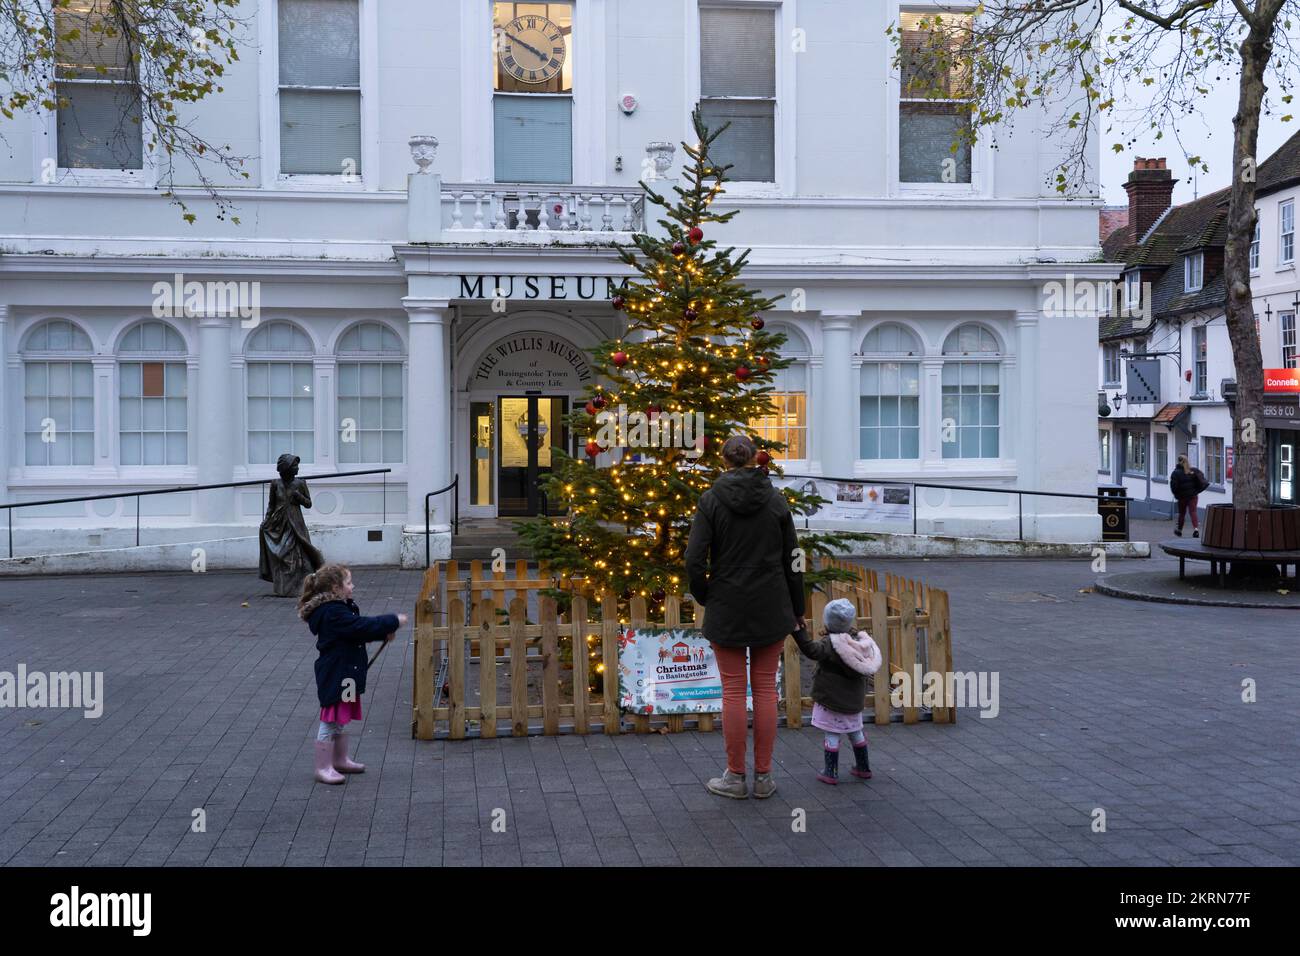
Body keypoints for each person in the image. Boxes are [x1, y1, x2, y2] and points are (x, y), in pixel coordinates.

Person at [686, 434, 805, 800]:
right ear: (755, 458)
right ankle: (765, 777)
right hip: (771, 603)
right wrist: (796, 608)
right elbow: (794, 559)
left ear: (724, 461)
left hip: (728, 602)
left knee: (734, 691)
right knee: (766, 689)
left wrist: (706, 595)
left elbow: (694, 559)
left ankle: (735, 777)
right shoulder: (776, 500)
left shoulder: (711, 499)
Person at [298, 563, 406, 785]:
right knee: (330, 720)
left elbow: (353, 633)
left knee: (340, 716)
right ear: (336, 588)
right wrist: (392, 621)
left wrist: (383, 633)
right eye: (348, 582)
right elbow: (359, 627)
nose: (352, 585)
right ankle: (323, 767)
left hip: (346, 672)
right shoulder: (333, 612)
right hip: (337, 673)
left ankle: (338, 760)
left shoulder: (338, 608)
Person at [791, 598, 881, 785]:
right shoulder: (858, 641)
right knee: (856, 731)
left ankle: (830, 772)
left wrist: (799, 633)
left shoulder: (831, 644)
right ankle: (863, 767)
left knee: (832, 733)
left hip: (832, 699)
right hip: (854, 700)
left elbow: (811, 651)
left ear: (828, 621)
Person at [259, 452, 324, 596]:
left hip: (295, 524)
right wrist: (266, 520)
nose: (298, 468)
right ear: (286, 468)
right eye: (295, 465)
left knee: (298, 556)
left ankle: (301, 586)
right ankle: (284, 588)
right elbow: (271, 505)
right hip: (279, 524)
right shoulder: (275, 484)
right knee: (282, 555)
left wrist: (298, 496)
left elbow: (308, 503)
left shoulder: (300, 483)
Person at [1169, 454, 1209, 538]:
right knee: (1193, 512)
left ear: (1178, 461)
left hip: (1182, 497)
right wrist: (1196, 491)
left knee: (1182, 513)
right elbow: (1199, 482)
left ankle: (1179, 530)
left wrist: (1176, 494)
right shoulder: (1192, 471)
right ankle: (1196, 529)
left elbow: (1174, 487)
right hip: (1193, 495)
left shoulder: (1175, 473)